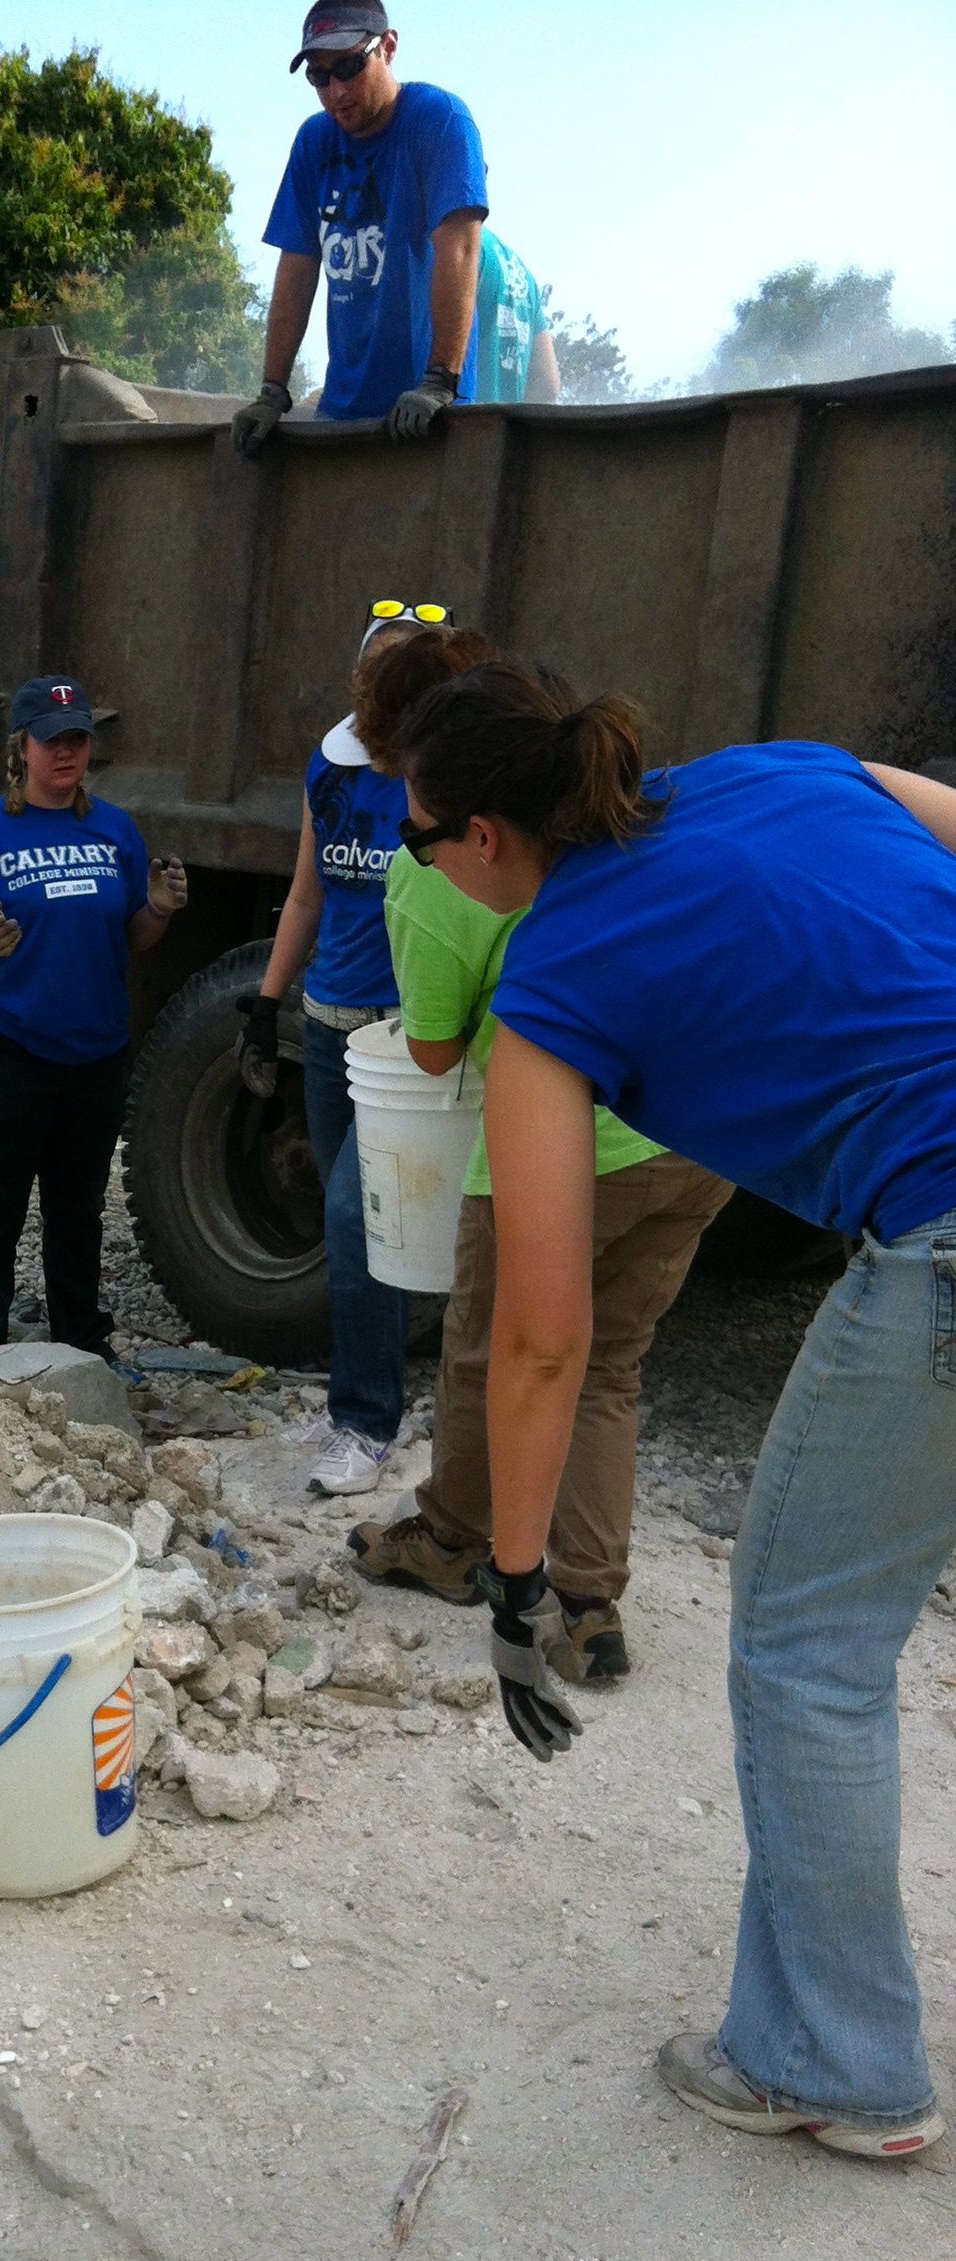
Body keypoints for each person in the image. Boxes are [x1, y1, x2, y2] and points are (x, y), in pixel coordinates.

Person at [392, 654, 956, 2161]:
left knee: (806, 1649)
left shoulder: (552, 982)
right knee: (828, 1632)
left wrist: (518, 1584)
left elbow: (540, 1340)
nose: (422, 867)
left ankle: (841, 2064)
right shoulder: (791, 765)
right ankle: (802, 2028)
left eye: (419, 842)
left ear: (484, 839)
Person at [343, 628, 730, 1677]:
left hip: (567, 1143)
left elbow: (431, 1051)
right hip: (693, 1136)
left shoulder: (437, 871)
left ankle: (454, 1540)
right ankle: (589, 1602)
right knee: (608, 1360)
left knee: (497, 1351)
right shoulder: (623, 811)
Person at [237, 601, 446, 1494]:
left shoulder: (441, 778)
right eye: (377, 667)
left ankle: (363, 1422)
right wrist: (266, 1003)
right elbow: (307, 894)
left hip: (402, 1038)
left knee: (359, 1220)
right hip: (328, 1028)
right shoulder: (329, 764)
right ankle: (363, 1403)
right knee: (360, 1228)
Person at [0, 677, 186, 1357]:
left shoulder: (114, 829)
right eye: (53, 740)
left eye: (77, 738)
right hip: (6, 1049)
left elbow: (128, 938)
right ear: (22, 746)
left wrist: (158, 908)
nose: (67, 752)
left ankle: (80, 1342)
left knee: (78, 1211)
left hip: (94, 1053)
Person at [235, 2, 487, 452]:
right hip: (343, 413)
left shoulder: (441, 121)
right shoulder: (314, 142)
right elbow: (296, 268)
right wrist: (272, 391)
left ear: (388, 48)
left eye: (349, 68)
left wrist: (438, 382)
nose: (336, 91)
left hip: (432, 414)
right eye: (319, 77)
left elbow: (461, 250)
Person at [473, 234, 561, 405]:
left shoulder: (450, 245)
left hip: (451, 418)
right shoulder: (521, 272)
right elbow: (548, 385)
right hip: (504, 421)